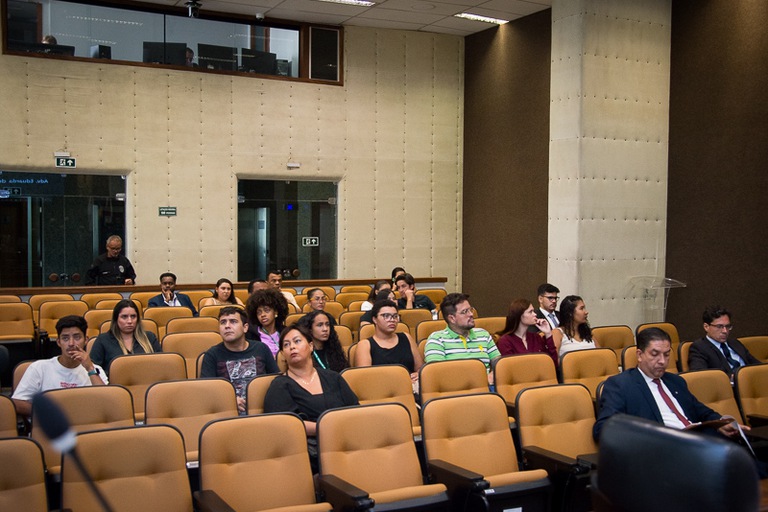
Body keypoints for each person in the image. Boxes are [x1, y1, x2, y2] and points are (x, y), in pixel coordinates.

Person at [594, 327, 744, 441]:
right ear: (639, 355)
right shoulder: (621, 385)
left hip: (695, 442)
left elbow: (701, 411)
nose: (662, 361)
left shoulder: (675, 381)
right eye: (655, 354)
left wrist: (721, 422)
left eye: (666, 355)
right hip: (661, 449)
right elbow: (604, 429)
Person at [264, 324, 359, 470]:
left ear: (310, 346)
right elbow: (284, 425)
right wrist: (327, 428)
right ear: (282, 354)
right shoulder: (279, 385)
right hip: (307, 454)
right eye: (286, 345)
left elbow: (355, 410)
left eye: (297, 341)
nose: (292, 347)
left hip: (348, 443)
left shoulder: (333, 378)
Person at [12, 315, 107, 417]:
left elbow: (106, 403)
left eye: (77, 337)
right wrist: (51, 414)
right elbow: (17, 403)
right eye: (65, 338)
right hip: (50, 422)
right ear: (58, 342)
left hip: (86, 422)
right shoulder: (39, 368)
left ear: (86, 340)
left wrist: (90, 369)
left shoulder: (95, 370)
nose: (71, 343)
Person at [200, 306, 279, 414]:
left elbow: (276, 380)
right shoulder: (212, 355)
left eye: (233, 321)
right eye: (223, 322)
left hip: (263, 410)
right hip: (228, 413)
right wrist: (228, 401)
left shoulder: (261, 348)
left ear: (245, 327)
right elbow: (207, 391)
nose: (227, 326)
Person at [424, 293, 500, 383]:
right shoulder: (437, 340)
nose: (471, 314)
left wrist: (492, 375)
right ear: (452, 318)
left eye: (470, 309)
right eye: (465, 312)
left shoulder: (483, 335)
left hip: (486, 387)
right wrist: (479, 380)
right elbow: (437, 374)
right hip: (455, 389)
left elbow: (499, 363)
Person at [354, 299, 423, 385]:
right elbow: (365, 378)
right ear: (375, 319)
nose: (392, 320)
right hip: (381, 388)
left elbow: (420, 368)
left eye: (395, 316)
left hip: (411, 386)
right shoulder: (365, 345)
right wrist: (402, 381)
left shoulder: (406, 337)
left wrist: (417, 374)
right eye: (386, 316)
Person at [89, 299, 161, 374]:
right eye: (124, 317)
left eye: (133, 316)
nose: (130, 321)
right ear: (116, 319)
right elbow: (94, 371)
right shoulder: (103, 340)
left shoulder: (150, 338)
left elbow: (160, 366)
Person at [688, 305, 760, 377]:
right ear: (706, 327)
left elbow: (758, 366)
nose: (725, 331)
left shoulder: (735, 343)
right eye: (719, 326)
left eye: (728, 326)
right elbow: (701, 376)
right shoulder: (699, 348)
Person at [496, 299, 558, 367]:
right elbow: (510, 368)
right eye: (530, 312)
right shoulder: (505, 341)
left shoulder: (536, 338)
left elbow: (553, 364)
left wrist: (548, 333)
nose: (535, 314)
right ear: (519, 315)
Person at [245, 288, 288, 357]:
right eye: (259, 312)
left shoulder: (285, 332)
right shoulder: (250, 335)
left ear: (276, 312)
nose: (263, 315)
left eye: (267, 310)